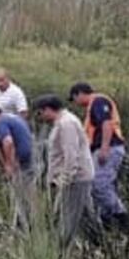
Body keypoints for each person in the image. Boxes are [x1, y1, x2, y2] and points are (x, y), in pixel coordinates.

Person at [33, 94, 98, 246]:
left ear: (48, 109)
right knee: (87, 216)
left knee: (67, 218)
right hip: (77, 177)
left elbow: (71, 154)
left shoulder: (66, 124)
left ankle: (59, 251)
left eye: (40, 113)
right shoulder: (62, 122)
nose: (40, 117)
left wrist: (65, 179)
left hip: (75, 179)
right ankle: (101, 247)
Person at [69, 82, 129, 231]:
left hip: (109, 149)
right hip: (105, 149)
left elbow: (106, 124)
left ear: (79, 93)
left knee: (99, 185)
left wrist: (104, 148)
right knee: (101, 185)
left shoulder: (98, 101)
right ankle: (107, 221)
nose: (76, 103)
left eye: (74, 99)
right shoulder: (93, 106)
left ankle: (122, 218)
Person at [0, 104, 35, 230]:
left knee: (22, 194)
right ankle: (26, 223)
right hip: (30, 158)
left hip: (21, 161)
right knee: (27, 192)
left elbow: (8, 141)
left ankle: (25, 226)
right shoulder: (11, 118)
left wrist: (9, 165)